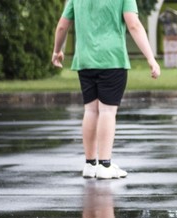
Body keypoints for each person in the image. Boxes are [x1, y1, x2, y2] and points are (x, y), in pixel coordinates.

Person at [52, 0, 161, 179]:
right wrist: (150, 58)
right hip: (112, 59)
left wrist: (57, 51)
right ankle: (104, 164)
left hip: (85, 61)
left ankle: (89, 164)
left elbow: (63, 26)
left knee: (91, 110)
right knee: (107, 112)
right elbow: (133, 24)